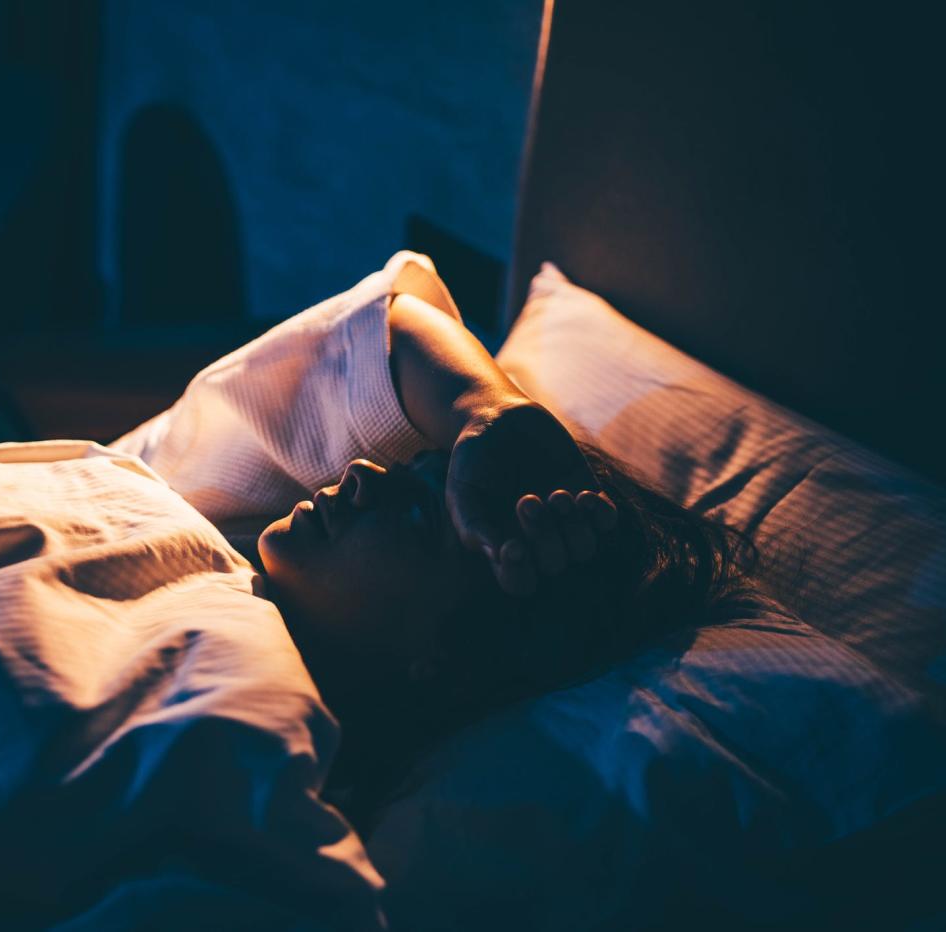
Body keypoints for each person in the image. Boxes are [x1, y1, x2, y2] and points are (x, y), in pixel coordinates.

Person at [110, 252, 757, 825]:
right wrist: (489, 411)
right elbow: (389, 322)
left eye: (420, 516)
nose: (360, 470)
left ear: (442, 660)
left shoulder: (256, 763)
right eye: (404, 468)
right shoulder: (226, 523)